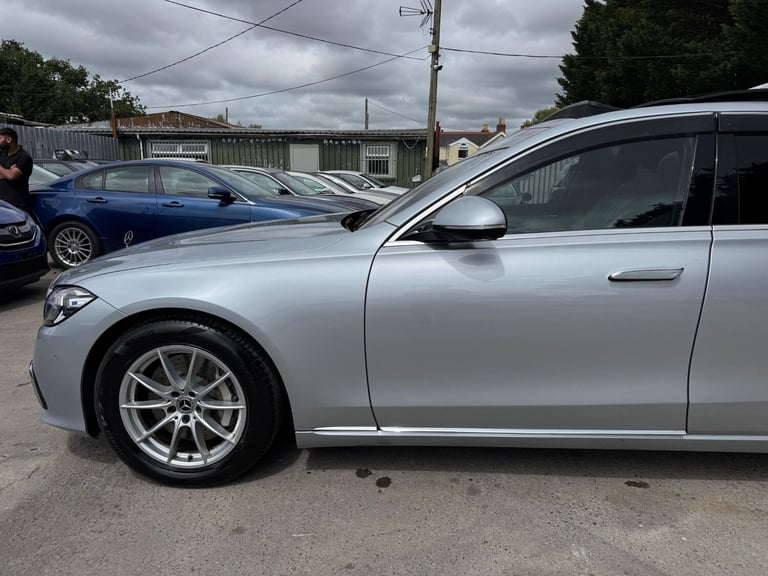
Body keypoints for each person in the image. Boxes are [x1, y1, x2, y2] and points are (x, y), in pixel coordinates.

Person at [0, 127, 34, 212]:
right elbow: (9, 175)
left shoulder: (24, 157)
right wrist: (7, 172)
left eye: (0, 138)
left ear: (8, 140)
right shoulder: (2, 154)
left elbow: (11, 176)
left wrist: (8, 173)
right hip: (2, 202)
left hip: (16, 204)